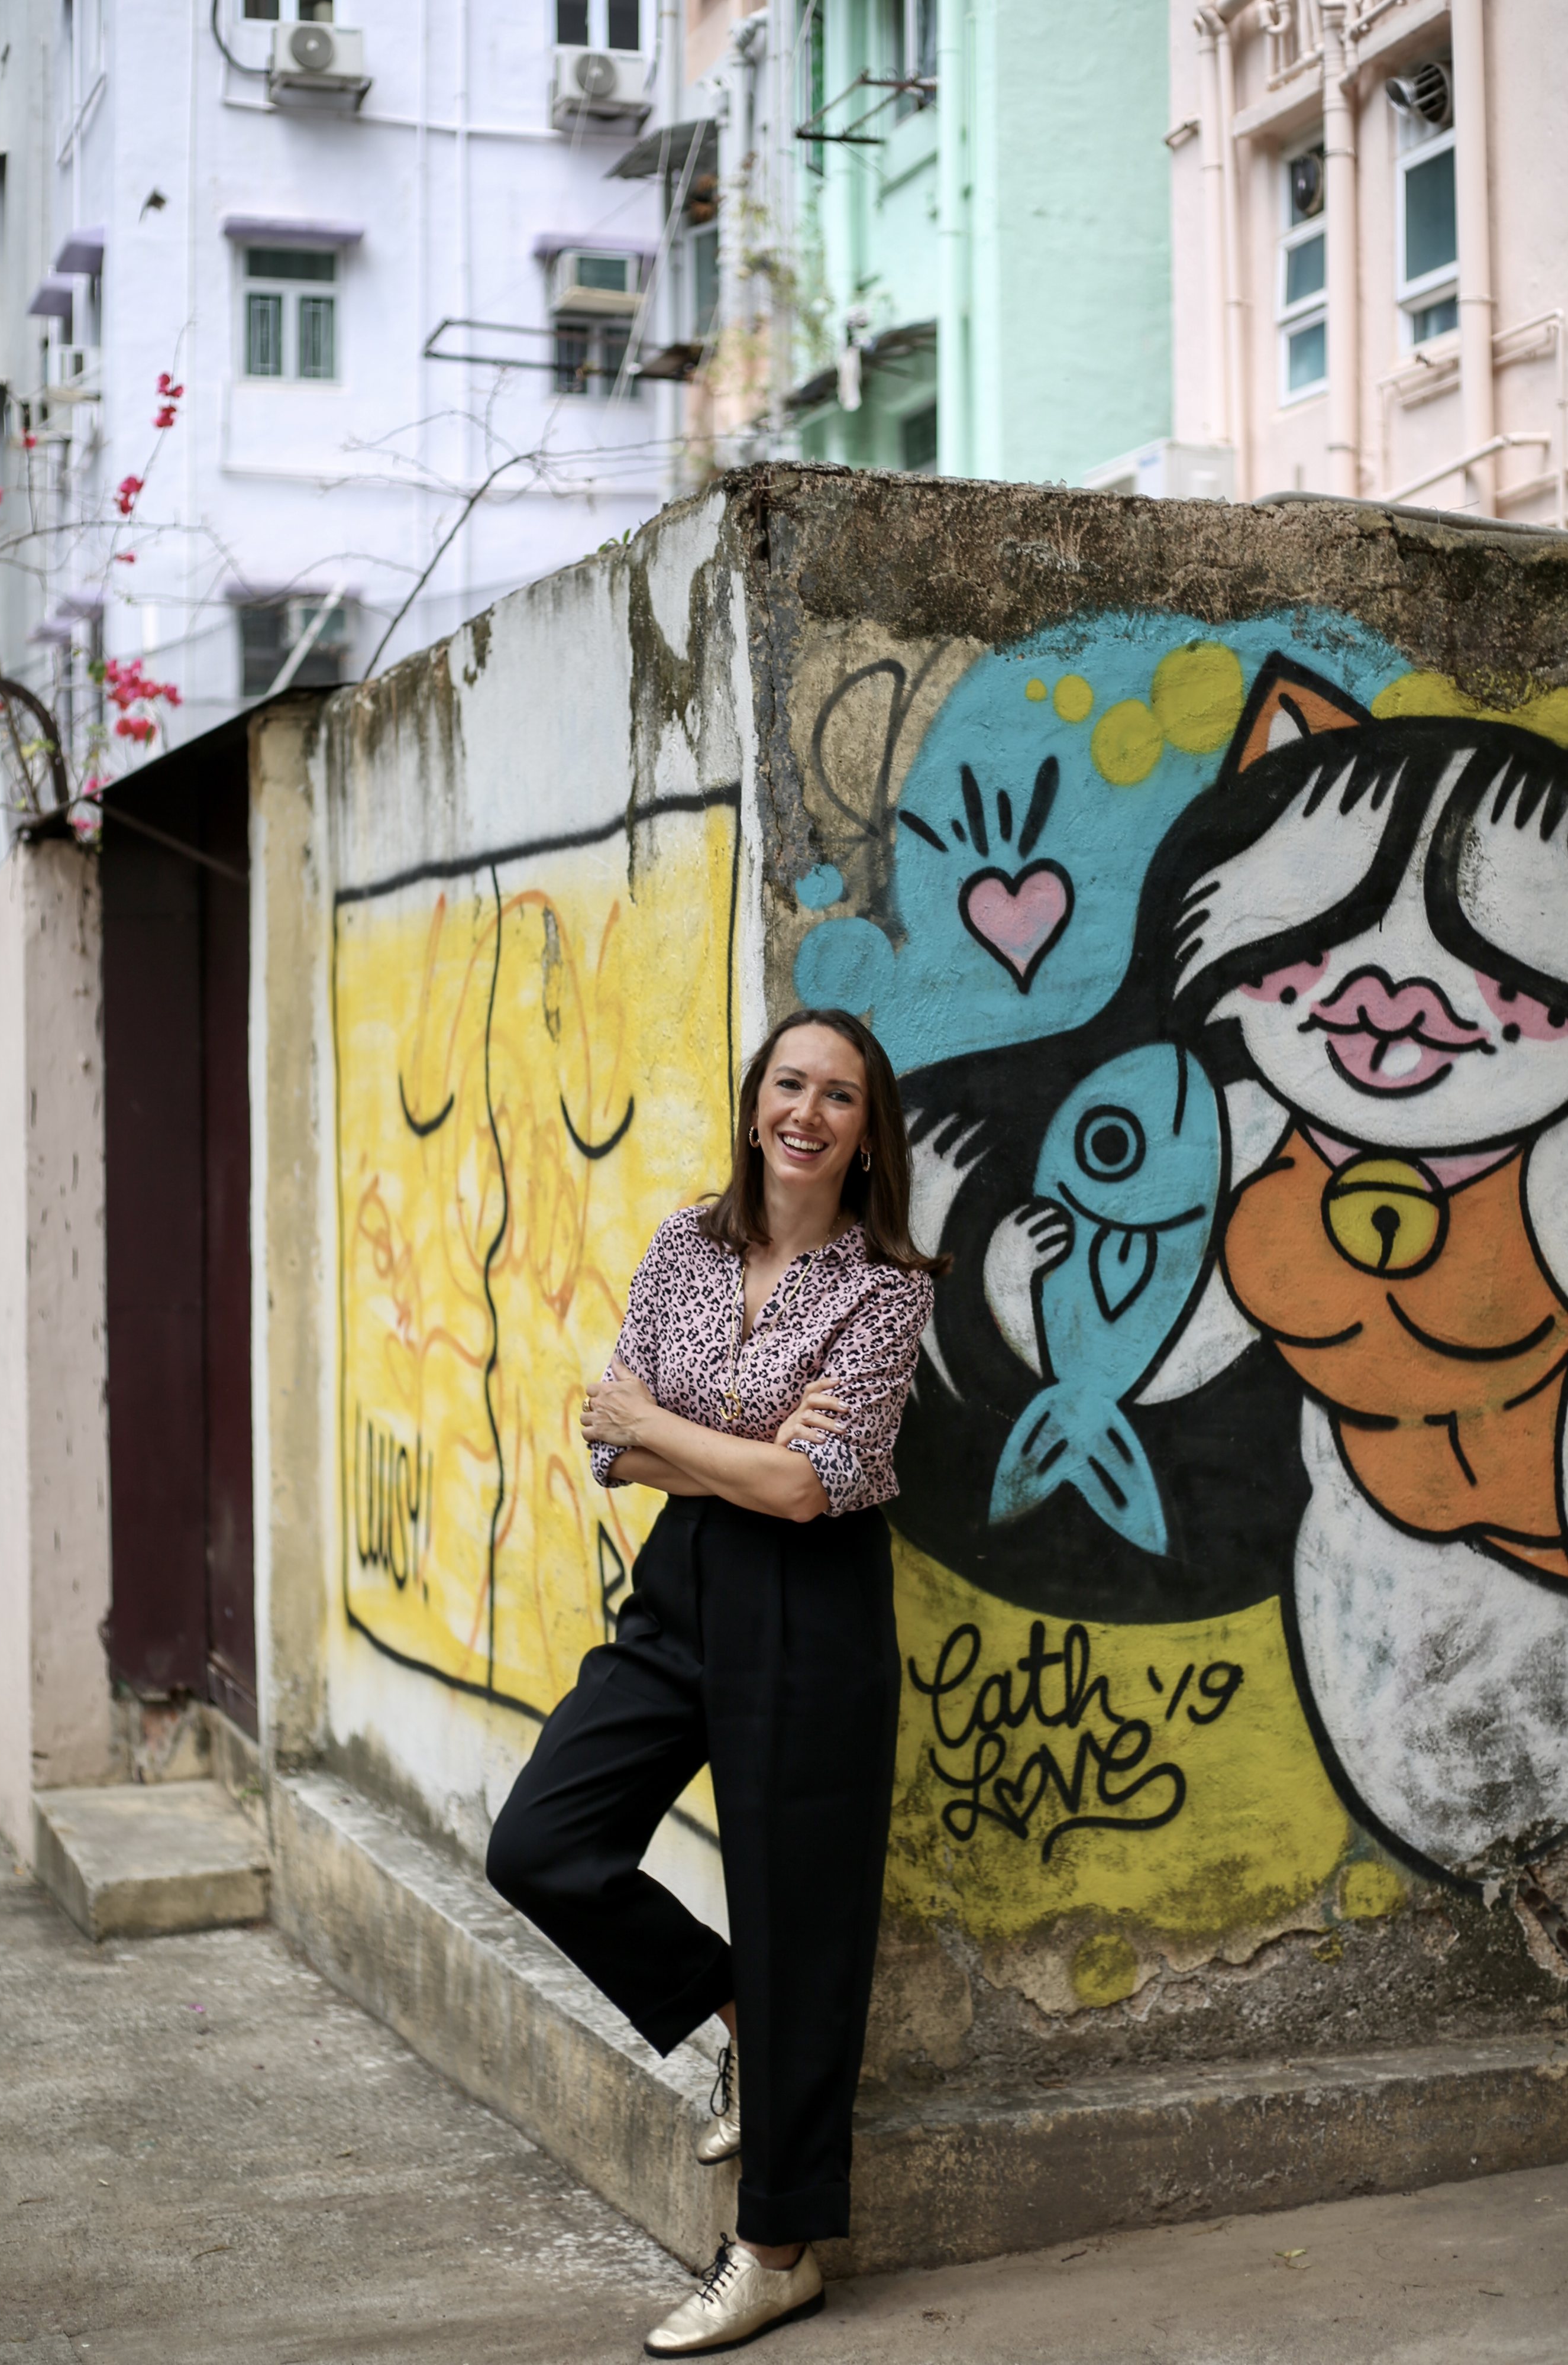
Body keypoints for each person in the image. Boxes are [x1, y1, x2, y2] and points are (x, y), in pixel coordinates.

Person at [486, 1006, 944, 2356]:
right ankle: (747, 2012)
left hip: (816, 1610)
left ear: (868, 1134)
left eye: (840, 1096)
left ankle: (775, 2251)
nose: (808, 1111)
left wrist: (675, 1433)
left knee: (800, 1908)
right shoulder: (687, 1242)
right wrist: (722, 1453)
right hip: (689, 1582)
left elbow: (814, 1489)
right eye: (789, 1084)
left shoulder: (886, 1284)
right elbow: (612, 1446)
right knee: (543, 1842)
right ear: (756, 1105)